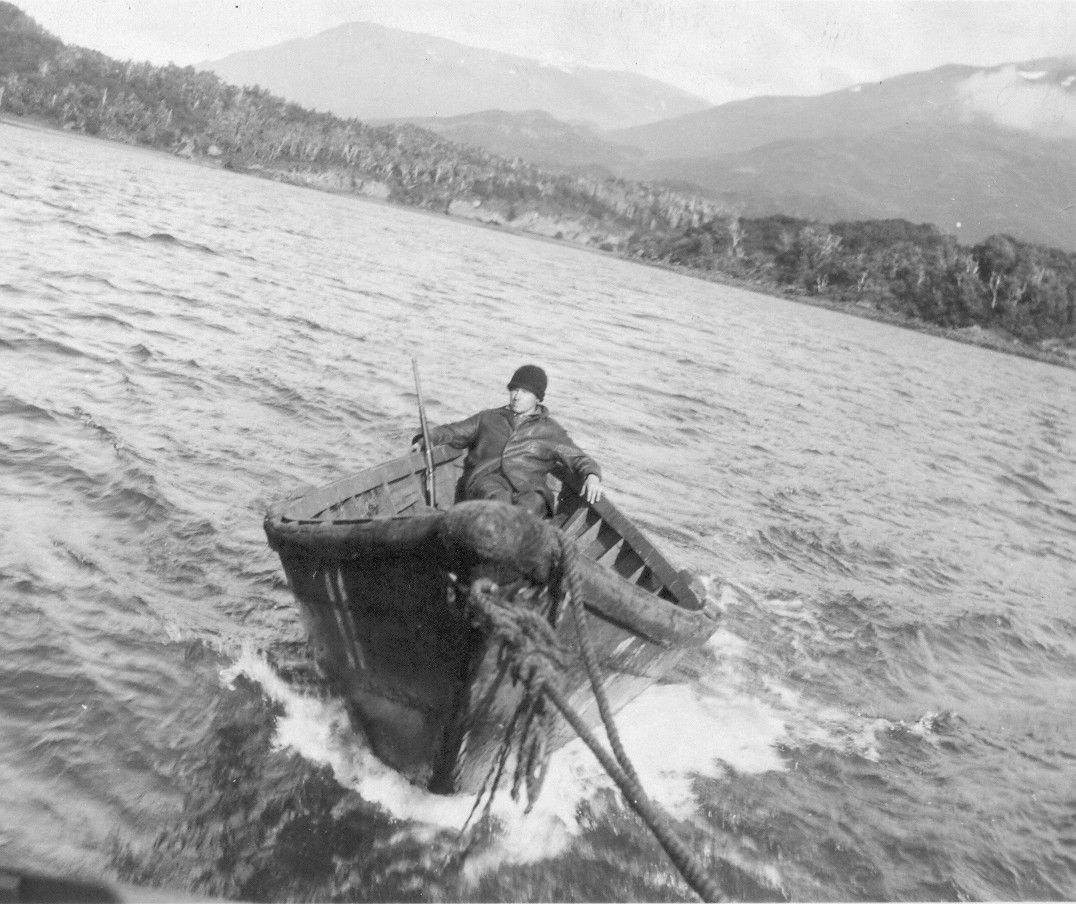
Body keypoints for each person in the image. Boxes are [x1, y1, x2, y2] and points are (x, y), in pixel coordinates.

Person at [413, 364, 602, 517]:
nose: (516, 396)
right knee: (498, 502)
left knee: (532, 507)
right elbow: (453, 431)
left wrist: (592, 475)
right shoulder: (487, 418)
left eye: (525, 392)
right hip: (485, 480)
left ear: (538, 398)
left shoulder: (550, 430)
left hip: (529, 488)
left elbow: (578, 458)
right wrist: (425, 439)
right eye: (514, 390)